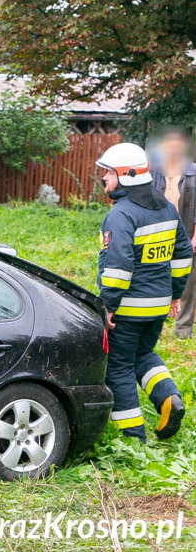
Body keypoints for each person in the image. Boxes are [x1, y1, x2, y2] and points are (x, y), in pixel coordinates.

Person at [97, 142, 191, 442]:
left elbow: (118, 267)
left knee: (119, 367)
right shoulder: (166, 209)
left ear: (125, 175)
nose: (104, 180)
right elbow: (183, 255)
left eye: (108, 174)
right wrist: (175, 296)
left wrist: (108, 305)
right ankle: (168, 399)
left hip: (127, 308)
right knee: (144, 355)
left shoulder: (121, 215)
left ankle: (132, 438)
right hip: (158, 305)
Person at [150, 128, 196, 338]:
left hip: (185, 234)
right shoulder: (154, 172)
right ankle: (154, 324)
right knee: (156, 278)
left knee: (187, 281)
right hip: (158, 233)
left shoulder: (193, 172)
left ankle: (183, 330)